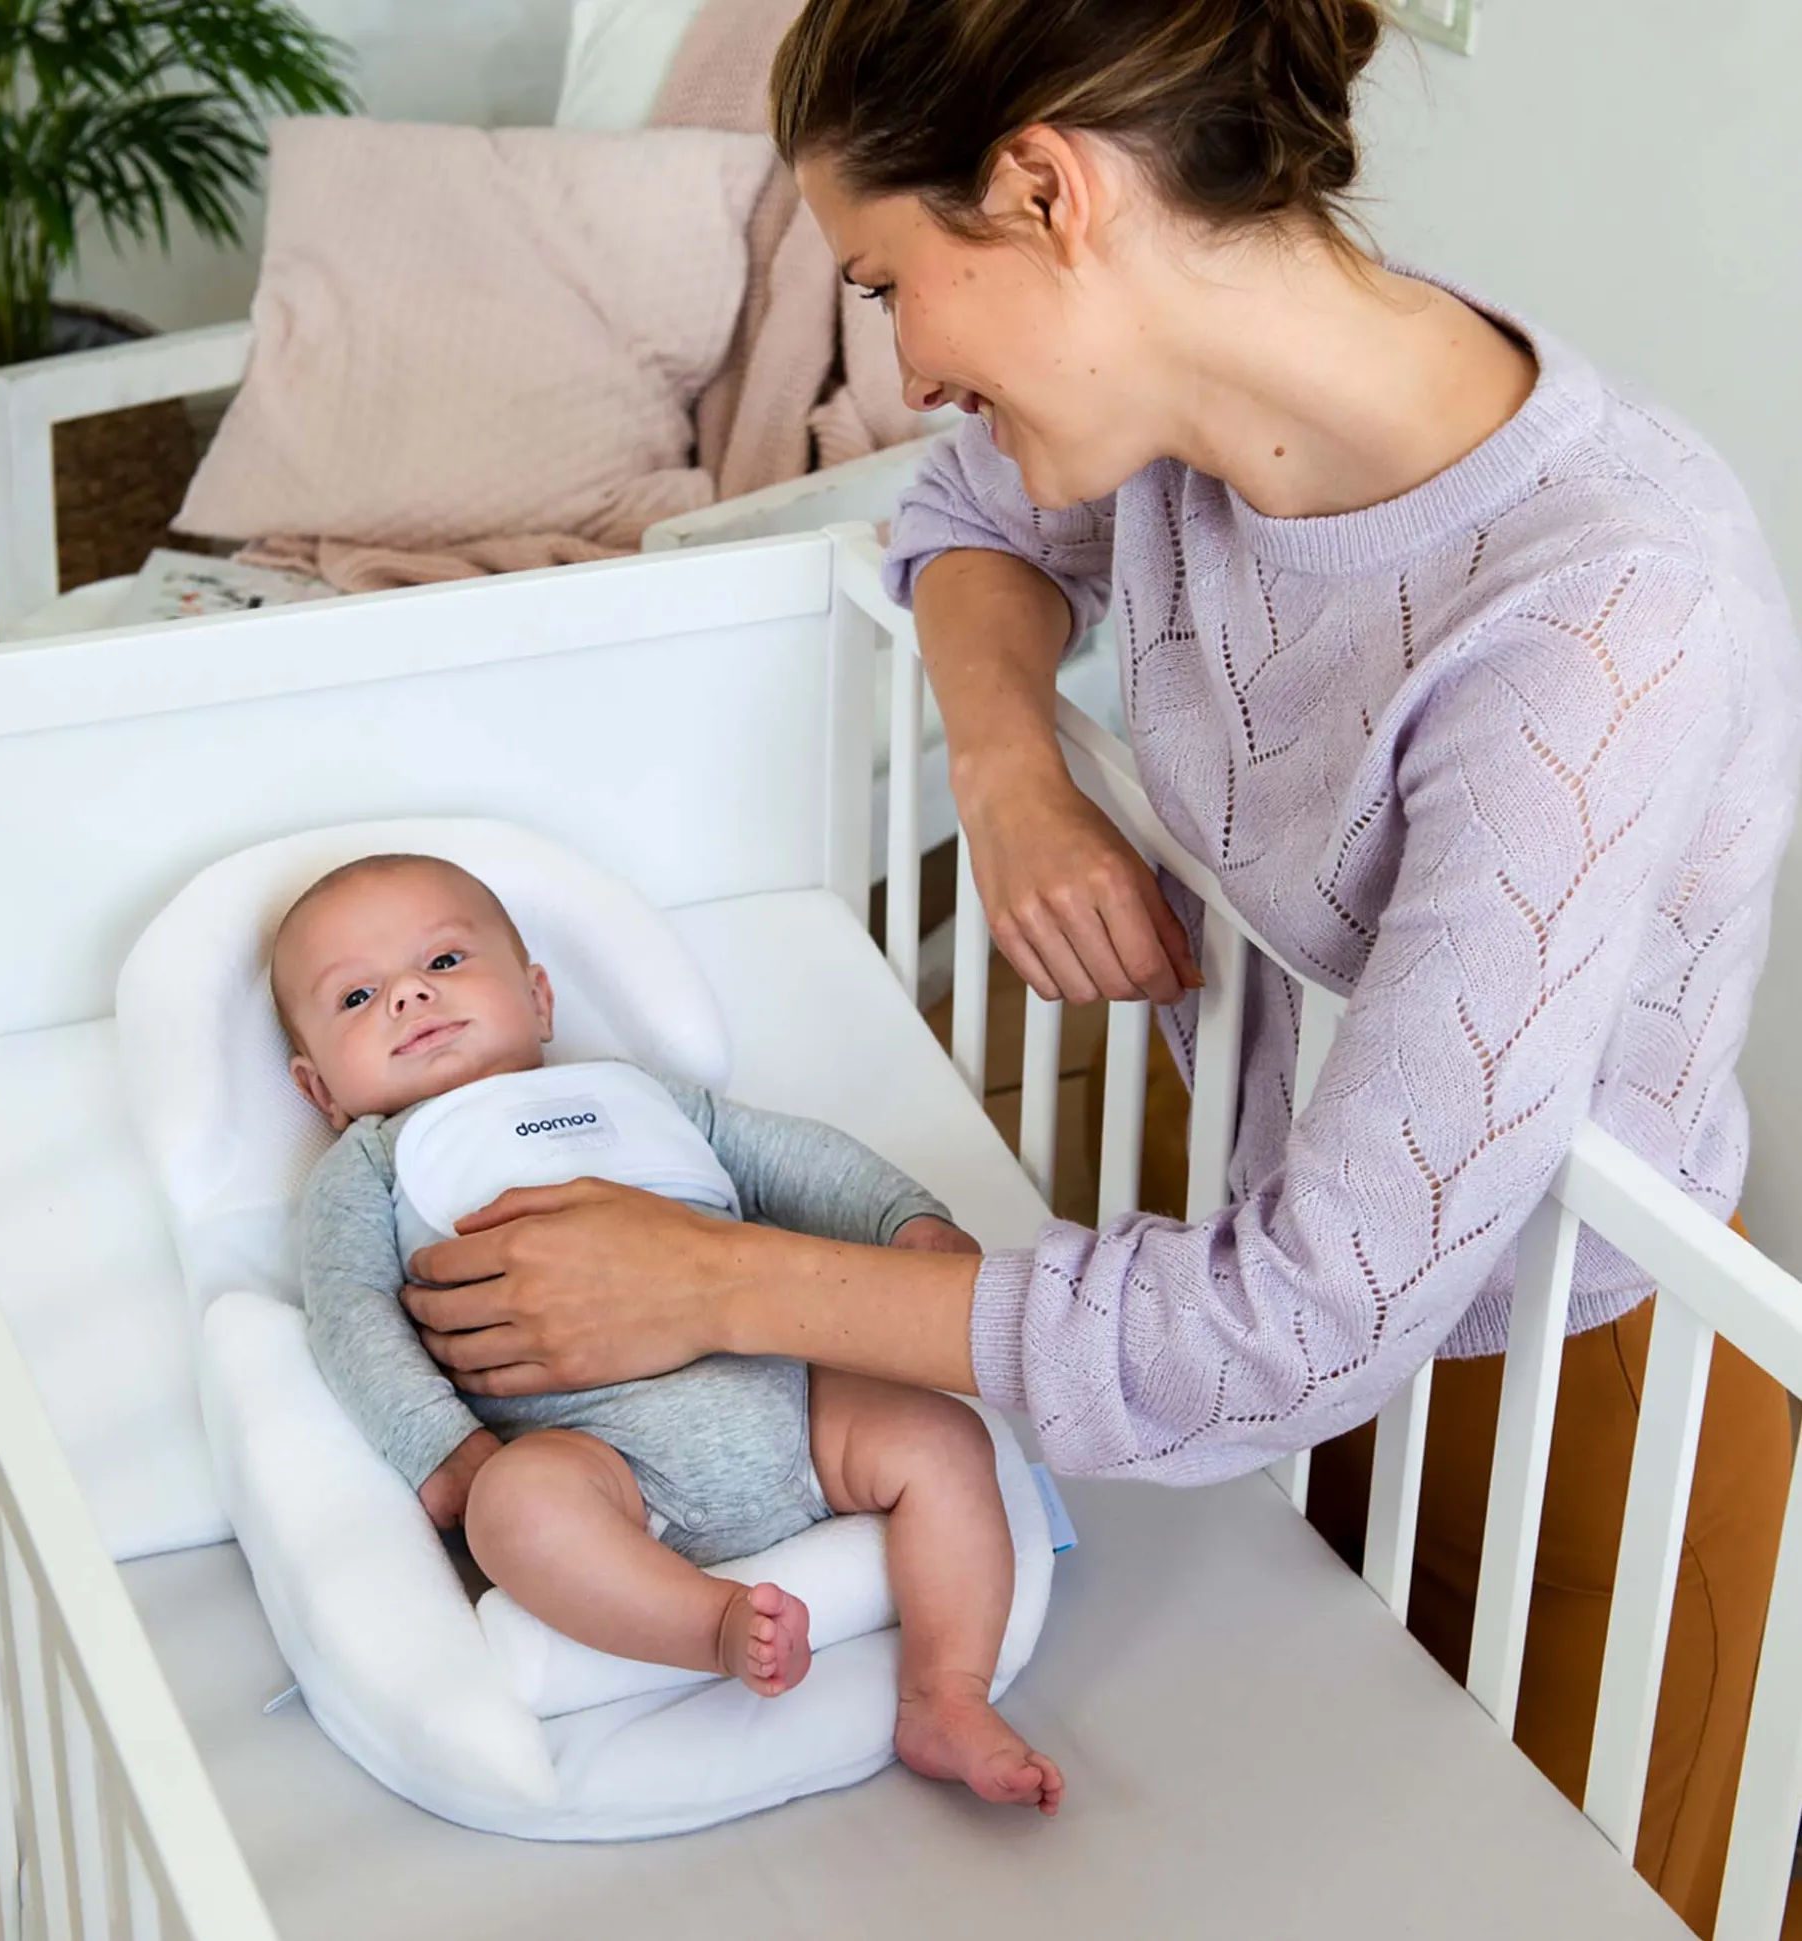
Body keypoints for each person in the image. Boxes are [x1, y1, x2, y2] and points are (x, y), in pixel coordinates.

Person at [396, 2, 1800, 1924]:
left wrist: (714, 1283)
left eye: (888, 284)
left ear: (1048, 190)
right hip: (1278, 1267)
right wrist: (1013, 770)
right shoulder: (1195, 405)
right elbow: (966, 516)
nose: (907, 366)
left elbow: (1300, 1322)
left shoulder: (1602, 625)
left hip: (1574, 1404)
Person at [272, 852, 1063, 1812]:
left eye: (442, 961)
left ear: (538, 997)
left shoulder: (637, 1094)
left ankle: (947, 1692)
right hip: (598, 1456)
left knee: (945, 1439)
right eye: (358, 996)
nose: (408, 996)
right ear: (319, 1088)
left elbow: (788, 1156)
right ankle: (713, 1626)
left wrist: (903, 1220)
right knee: (512, 1510)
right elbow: (350, 1313)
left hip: (788, 1400)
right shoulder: (371, 1165)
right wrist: (442, 1448)